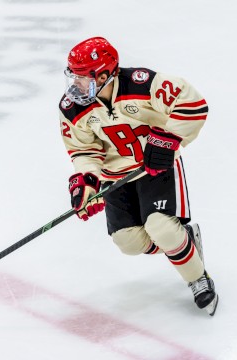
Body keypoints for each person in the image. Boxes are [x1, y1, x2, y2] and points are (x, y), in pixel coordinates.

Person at [58, 36, 218, 316]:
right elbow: (83, 149)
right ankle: (186, 242)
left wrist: (167, 140)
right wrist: (87, 182)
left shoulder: (143, 84)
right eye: (73, 76)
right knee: (129, 243)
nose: (76, 84)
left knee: (162, 228)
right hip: (114, 177)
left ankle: (198, 278)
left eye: (83, 77)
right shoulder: (72, 107)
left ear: (106, 74)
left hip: (154, 167)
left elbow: (193, 104)